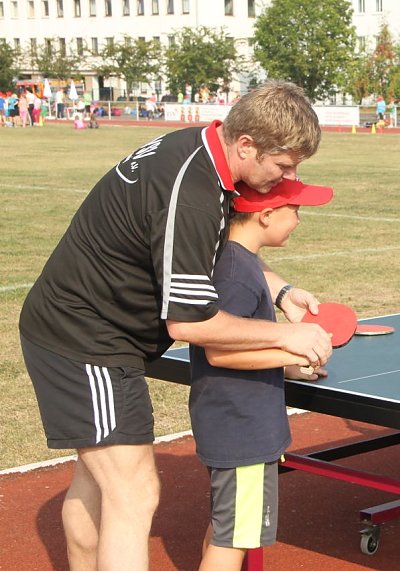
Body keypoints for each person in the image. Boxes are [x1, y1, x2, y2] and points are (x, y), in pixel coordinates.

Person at [18, 80, 334, 570]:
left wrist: (281, 292)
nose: (287, 177)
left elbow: (216, 251)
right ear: (246, 144)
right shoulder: (193, 191)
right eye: (284, 166)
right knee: (134, 490)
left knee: (96, 480)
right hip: (86, 338)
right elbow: (190, 324)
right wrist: (285, 334)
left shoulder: (207, 151)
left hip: (86, 330)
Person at [190, 177, 333, 571]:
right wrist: (289, 346)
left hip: (233, 423)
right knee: (235, 539)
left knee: (227, 528)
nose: (300, 221)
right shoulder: (235, 274)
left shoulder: (238, 259)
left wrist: (287, 364)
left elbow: (242, 345)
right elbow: (220, 352)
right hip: (243, 431)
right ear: (267, 215)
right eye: (296, 211)